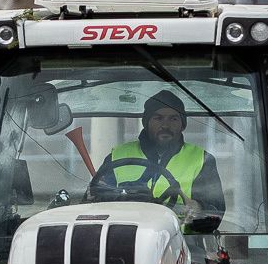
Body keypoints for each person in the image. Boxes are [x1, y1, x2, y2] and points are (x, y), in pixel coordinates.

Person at [91, 89, 227, 226]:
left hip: (184, 243)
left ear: (182, 124)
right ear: (146, 122)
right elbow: (94, 203)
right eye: (158, 118)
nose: (165, 125)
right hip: (125, 240)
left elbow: (216, 213)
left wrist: (199, 209)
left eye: (173, 118)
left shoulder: (201, 159)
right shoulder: (117, 156)